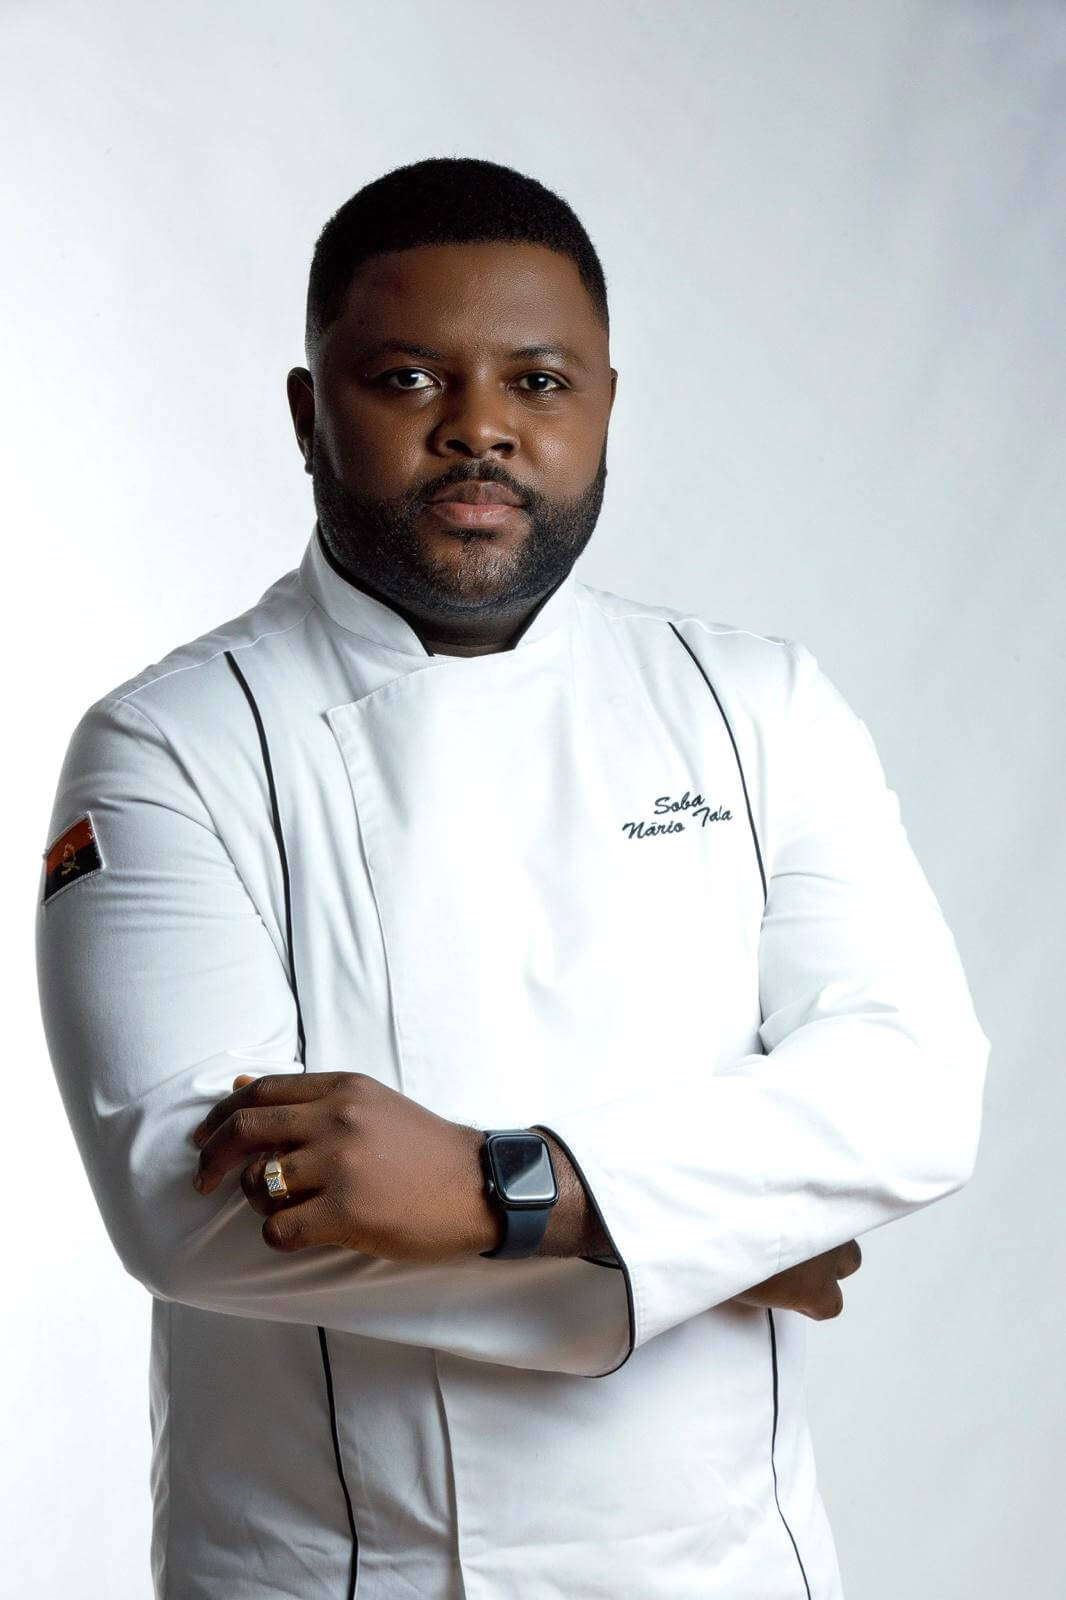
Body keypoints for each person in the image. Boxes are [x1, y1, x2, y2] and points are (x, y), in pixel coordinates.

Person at [35, 156, 989, 1600]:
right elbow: (193, 1205)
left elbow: (912, 1088)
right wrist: (702, 1238)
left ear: (604, 406)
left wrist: (514, 1194)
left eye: (537, 383)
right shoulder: (173, 743)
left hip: (729, 1565)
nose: (478, 426)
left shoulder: (755, 703)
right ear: (308, 412)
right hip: (339, 1572)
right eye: (409, 378)